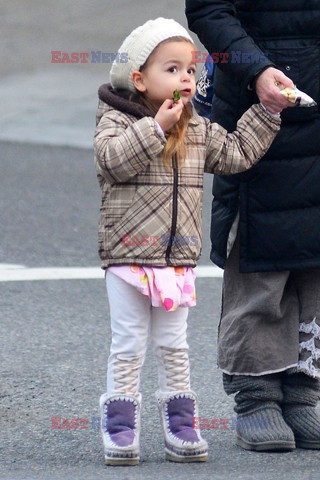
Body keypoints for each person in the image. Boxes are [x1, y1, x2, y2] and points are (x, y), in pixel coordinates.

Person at [93, 17, 282, 465]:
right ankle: (120, 430)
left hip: (176, 260)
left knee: (175, 346)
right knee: (129, 344)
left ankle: (181, 426)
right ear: (139, 78)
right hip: (127, 255)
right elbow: (110, 162)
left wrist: (268, 112)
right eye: (172, 69)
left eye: (191, 71)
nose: (185, 79)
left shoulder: (195, 127)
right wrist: (155, 127)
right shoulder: (116, 117)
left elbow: (235, 153)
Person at [186, 0, 320, 452]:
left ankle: (303, 393)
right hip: (257, 100)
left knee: (315, 258)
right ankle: (256, 396)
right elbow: (208, 9)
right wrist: (256, 69)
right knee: (259, 251)